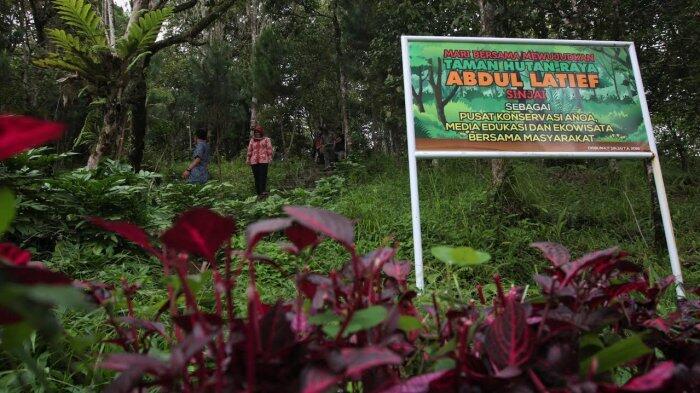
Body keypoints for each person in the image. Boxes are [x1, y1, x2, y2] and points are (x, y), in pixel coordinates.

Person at [246, 124, 273, 198]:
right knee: (256, 177)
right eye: (256, 132)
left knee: (263, 176)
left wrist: (270, 158)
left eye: (258, 132)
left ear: (261, 132)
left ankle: (263, 192)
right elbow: (249, 150)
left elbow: (269, 149)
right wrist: (248, 159)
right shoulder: (252, 140)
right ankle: (258, 193)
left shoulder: (267, 139)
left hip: (263, 161)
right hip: (254, 161)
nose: (257, 134)